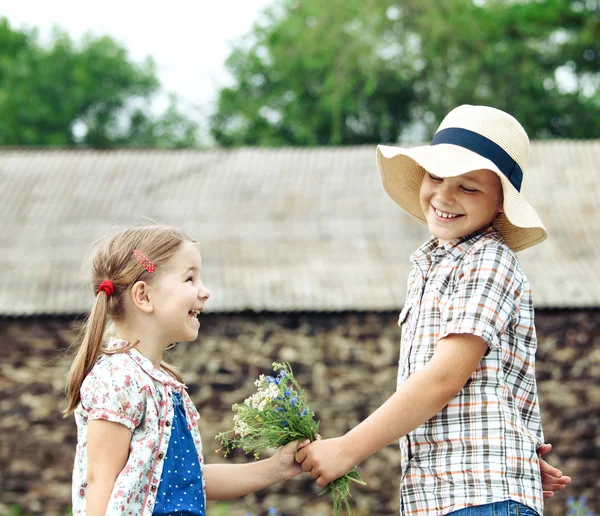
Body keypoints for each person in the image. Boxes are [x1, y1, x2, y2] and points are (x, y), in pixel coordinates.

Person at [297, 105, 571, 515]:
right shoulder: (430, 265)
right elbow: (488, 388)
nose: (443, 196)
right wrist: (514, 446)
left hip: (476, 495)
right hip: (446, 493)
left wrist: (347, 448)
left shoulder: (487, 261)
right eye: (436, 177)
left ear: (501, 203)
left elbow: (444, 378)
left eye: (469, 187)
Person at [64, 225, 309, 516]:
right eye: (190, 278)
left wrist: (275, 468)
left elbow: (191, 481)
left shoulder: (163, 385)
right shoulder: (119, 378)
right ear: (143, 296)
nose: (204, 292)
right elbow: (100, 479)